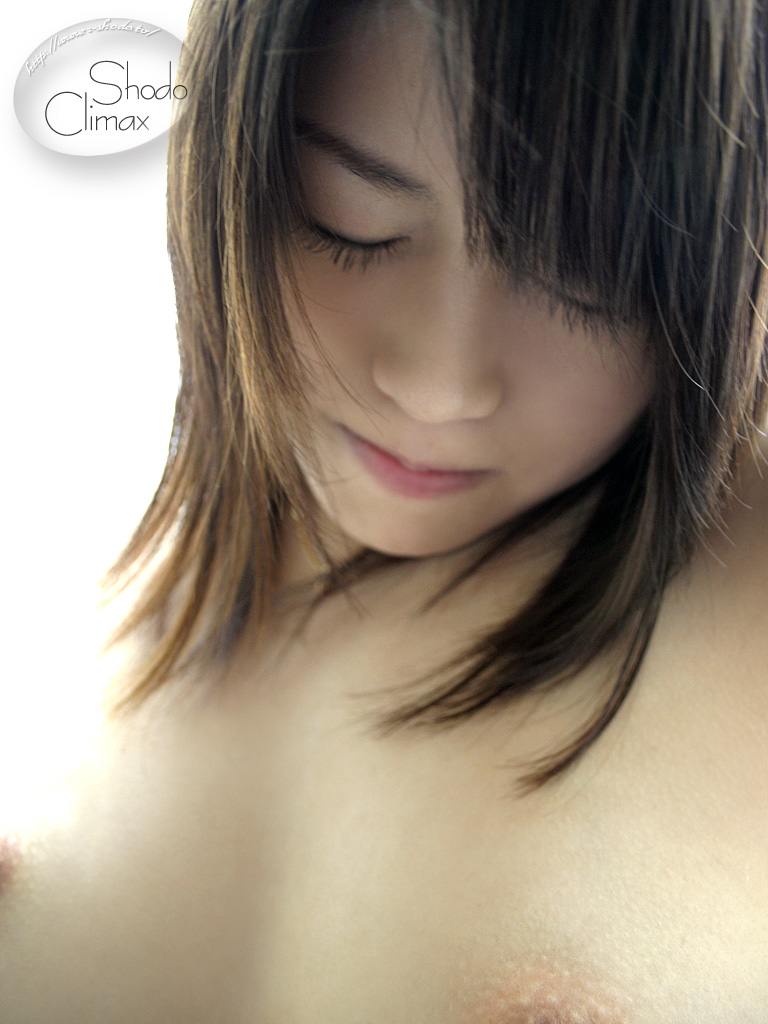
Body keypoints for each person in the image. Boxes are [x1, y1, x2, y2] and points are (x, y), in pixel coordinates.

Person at [1, 0, 767, 1020]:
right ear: (230, 155)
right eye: (350, 221)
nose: (439, 386)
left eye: (591, 278)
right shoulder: (49, 529)